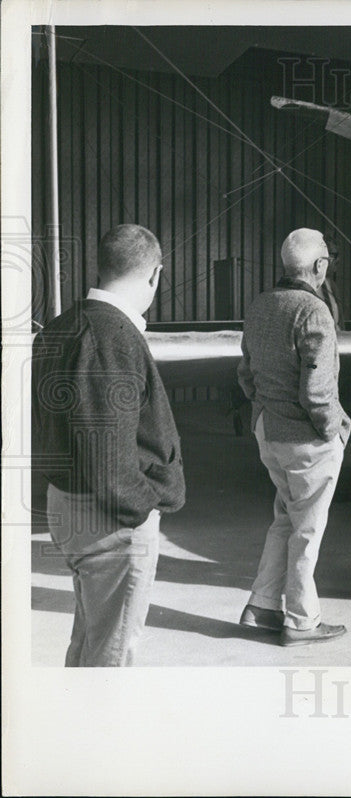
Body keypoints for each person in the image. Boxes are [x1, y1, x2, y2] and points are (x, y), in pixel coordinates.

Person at [32, 224, 185, 666]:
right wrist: (145, 505)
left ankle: (75, 726)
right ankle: (97, 733)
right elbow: (107, 460)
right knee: (113, 655)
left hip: (70, 506)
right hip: (109, 521)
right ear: (156, 275)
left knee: (90, 640)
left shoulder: (63, 326)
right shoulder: (111, 337)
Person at [237, 228, 351, 647]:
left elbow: (246, 375)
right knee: (308, 530)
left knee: (285, 520)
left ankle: (262, 607)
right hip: (306, 439)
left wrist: (265, 410)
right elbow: (318, 391)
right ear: (320, 266)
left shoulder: (260, 305)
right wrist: (335, 428)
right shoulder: (313, 310)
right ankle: (302, 622)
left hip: (269, 431)